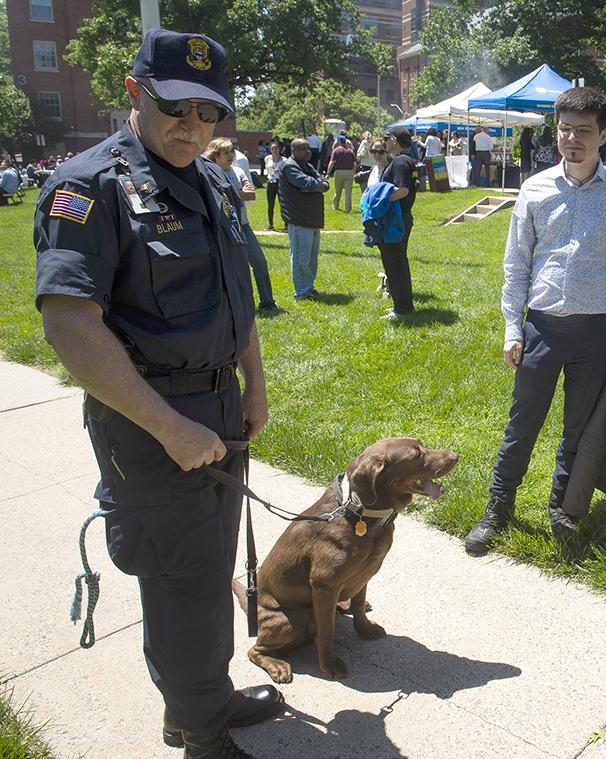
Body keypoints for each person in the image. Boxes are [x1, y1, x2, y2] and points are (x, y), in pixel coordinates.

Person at [33, 29, 282, 759]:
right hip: (147, 419)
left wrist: (254, 382)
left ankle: (206, 695)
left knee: (209, 569)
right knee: (180, 577)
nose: (194, 127)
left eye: (210, 114)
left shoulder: (207, 178)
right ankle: (199, 733)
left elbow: (235, 292)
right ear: (135, 94)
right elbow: (69, 325)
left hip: (216, 409)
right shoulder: (89, 186)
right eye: (176, 107)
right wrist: (168, 425)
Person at [464, 86, 606, 555]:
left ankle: (563, 510)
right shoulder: (534, 189)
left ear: (604, 135)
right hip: (540, 328)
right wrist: (511, 327)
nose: (572, 139)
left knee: (579, 428)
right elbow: (516, 264)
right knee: (521, 425)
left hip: (593, 330)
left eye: (584, 131)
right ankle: (498, 509)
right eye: (565, 129)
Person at [203, 138, 278, 313]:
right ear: (215, 155)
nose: (231, 156)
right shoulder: (208, 174)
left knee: (259, 262)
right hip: (223, 230)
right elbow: (219, 199)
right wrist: (238, 193)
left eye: (232, 151)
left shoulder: (237, 171)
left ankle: (267, 302)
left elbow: (250, 195)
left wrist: (235, 193)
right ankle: (237, 306)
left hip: (243, 225)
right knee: (233, 268)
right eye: (225, 152)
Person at [375, 127, 419, 320]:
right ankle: (401, 304)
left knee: (395, 262)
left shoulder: (401, 161)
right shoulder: (404, 160)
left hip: (396, 218)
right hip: (400, 217)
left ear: (394, 139)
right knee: (396, 261)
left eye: (387, 139)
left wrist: (377, 201)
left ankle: (402, 308)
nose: (385, 143)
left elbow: (402, 190)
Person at [279, 137, 330, 300]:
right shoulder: (289, 167)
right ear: (293, 150)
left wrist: (318, 186)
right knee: (301, 258)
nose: (307, 152)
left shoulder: (306, 166)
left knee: (311, 257)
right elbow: (305, 183)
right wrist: (316, 186)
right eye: (302, 149)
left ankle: (309, 287)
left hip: (311, 218)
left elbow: (324, 183)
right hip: (299, 218)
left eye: (308, 148)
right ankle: (301, 292)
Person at [328, 134, 357, 212]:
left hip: (339, 172)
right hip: (349, 172)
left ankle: (335, 206)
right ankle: (347, 209)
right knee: (348, 192)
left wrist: (328, 173)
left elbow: (332, 162)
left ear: (338, 141)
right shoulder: (351, 151)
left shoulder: (336, 150)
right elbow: (355, 164)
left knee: (338, 190)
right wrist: (353, 173)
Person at [263, 141, 284, 230]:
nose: (274, 150)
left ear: (279, 149)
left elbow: (287, 173)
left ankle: (286, 225)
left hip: (280, 183)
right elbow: (267, 169)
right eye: (272, 149)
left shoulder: (284, 160)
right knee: (270, 205)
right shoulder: (267, 158)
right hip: (271, 183)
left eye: (276, 148)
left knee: (282, 204)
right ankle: (270, 225)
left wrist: (280, 172)